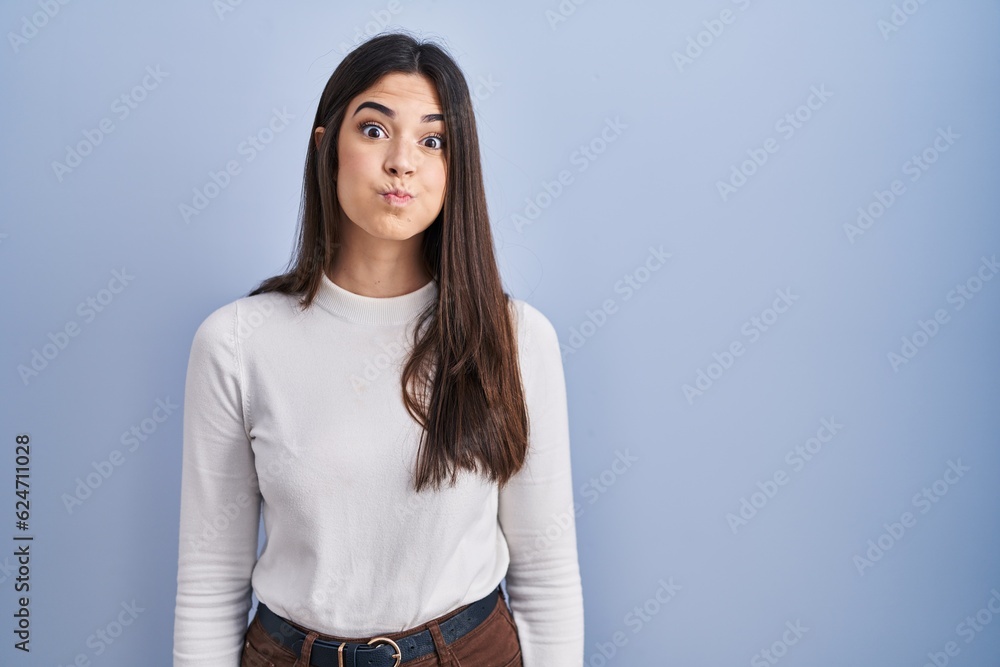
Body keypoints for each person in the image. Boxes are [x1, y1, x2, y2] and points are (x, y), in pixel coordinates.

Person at [172, 30, 584, 667]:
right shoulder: (235, 343)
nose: (403, 162)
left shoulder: (516, 339)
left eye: (432, 140)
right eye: (373, 131)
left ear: (456, 165)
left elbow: (547, 577)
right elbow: (209, 584)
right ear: (325, 145)